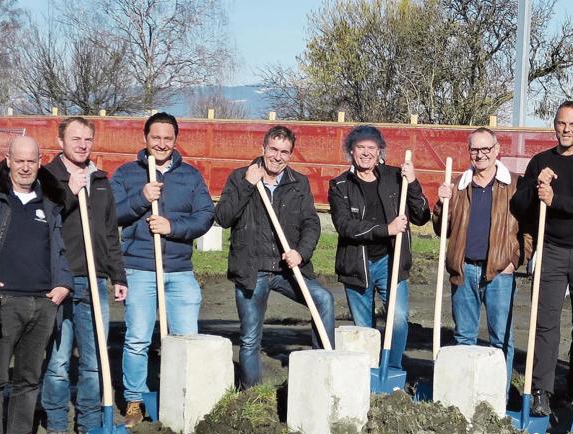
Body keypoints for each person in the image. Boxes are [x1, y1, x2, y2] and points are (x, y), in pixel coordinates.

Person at [112, 112, 215, 427]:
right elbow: (112, 215)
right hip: (140, 268)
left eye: (167, 138)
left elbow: (205, 216)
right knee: (137, 339)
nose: (161, 143)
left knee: (186, 340)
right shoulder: (127, 174)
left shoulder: (191, 176)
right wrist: (142, 198)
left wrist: (172, 226)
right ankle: (135, 401)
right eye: (155, 137)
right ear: (145, 139)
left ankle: (183, 398)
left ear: (175, 140)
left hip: (180, 270)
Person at [510, 101, 573, 416]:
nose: (566, 130)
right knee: (545, 322)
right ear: (554, 126)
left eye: (572, 124)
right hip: (551, 249)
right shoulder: (541, 161)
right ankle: (541, 390)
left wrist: (556, 200)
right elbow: (519, 205)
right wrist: (538, 185)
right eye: (560, 124)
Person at [216, 125, 336, 387]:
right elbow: (224, 217)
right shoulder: (240, 177)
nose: (278, 157)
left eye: (285, 152)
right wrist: (249, 184)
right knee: (249, 339)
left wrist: (301, 253)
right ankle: (252, 396)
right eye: (273, 150)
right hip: (252, 269)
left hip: (286, 270)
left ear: (290, 155)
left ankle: (322, 374)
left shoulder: (298, 182)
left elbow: (311, 224)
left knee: (324, 300)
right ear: (263, 148)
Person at [0, 136, 72, 434]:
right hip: (4, 302)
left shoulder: (48, 204)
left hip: (43, 302)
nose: (25, 167)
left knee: (29, 378)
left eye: (31, 161)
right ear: (7, 160)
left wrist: (63, 283)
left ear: (39, 161)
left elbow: (60, 249)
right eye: (19, 160)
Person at [40, 117, 128, 434]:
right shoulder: (47, 178)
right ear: (60, 140)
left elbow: (109, 235)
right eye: (75, 138)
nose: (82, 144)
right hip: (60, 280)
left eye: (88, 139)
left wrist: (117, 276)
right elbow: (45, 220)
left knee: (94, 360)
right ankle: (57, 428)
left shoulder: (102, 181)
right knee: (59, 361)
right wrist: (69, 193)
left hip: (95, 282)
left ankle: (89, 425)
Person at [328, 125, 431, 372]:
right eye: (360, 147)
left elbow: (422, 215)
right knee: (364, 327)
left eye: (371, 148)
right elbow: (345, 226)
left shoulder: (396, 178)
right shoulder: (340, 185)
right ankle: (368, 373)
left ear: (379, 151)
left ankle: (392, 368)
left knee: (397, 319)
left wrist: (414, 182)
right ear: (351, 151)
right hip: (356, 264)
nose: (366, 153)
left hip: (390, 260)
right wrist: (386, 229)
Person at [435, 127, 529, 385]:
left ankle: (498, 394)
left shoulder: (515, 185)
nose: (481, 155)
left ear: (497, 150)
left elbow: (529, 228)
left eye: (486, 148)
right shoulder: (458, 186)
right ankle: (465, 392)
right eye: (475, 149)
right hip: (464, 270)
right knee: (464, 337)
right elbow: (440, 227)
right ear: (469, 152)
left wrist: (516, 260)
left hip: (499, 273)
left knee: (501, 338)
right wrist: (441, 204)